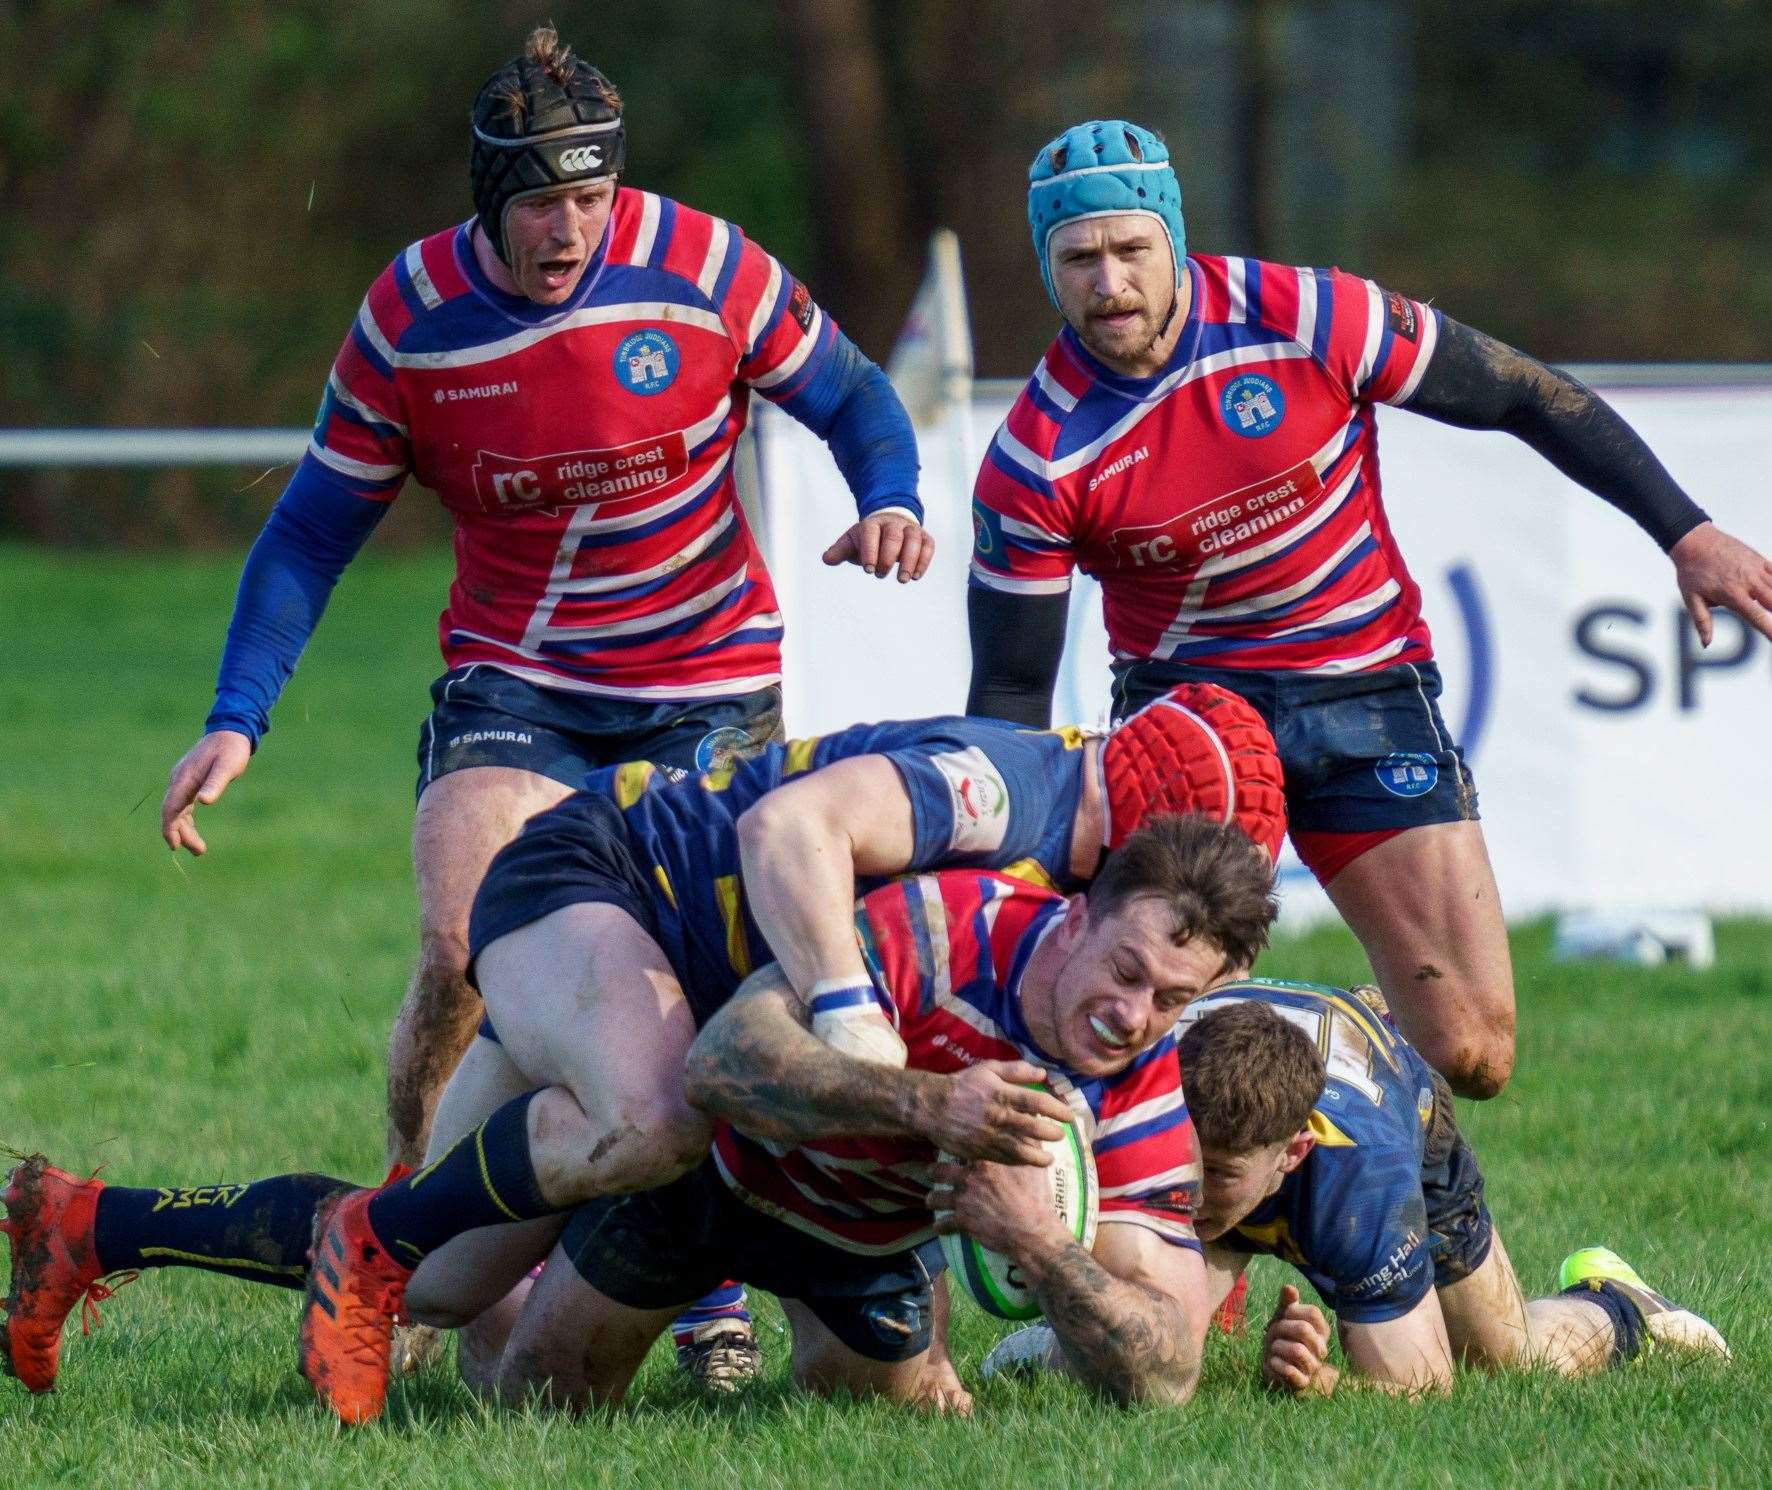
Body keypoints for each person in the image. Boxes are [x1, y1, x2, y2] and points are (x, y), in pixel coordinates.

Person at [155, 25, 933, 1377]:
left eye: (590, 197)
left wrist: (893, 499)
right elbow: (309, 529)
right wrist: (238, 711)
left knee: (698, 993)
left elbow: (859, 399)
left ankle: (700, 1287)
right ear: (486, 198)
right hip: (516, 686)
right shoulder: (411, 315)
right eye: (539, 203)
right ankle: (394, 1238)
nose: (568, 228)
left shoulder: (703, 266)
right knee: (462, 950)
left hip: (707, 685)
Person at [2, 688, 1285, 1419]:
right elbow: (789, 827)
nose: (1144, 993)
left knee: (446, 1280)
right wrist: (861, 1030)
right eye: (1167, 919)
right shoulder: (1013, 805)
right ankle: (373, 1246)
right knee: (662, 1111)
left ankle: (85, 1223)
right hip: (607, 877)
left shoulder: (1077, 911)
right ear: (1152, 842)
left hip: (641, 951)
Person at [966, 118, 1772, 1102]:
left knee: (1473, 1050)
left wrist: (1684, 531)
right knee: (1132, 1015)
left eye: (1130, 248)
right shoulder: (1034, 455)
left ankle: (1306, 1040)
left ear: (1170, 239)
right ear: (1046, 266)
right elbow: (1008, 683)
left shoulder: (1308, 315)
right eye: (1077, 258)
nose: (1109, 284)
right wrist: (994, 884)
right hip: (1193, 724)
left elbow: (1519, 392)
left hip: (1369, 689)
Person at [481, 814, 1278, 1412]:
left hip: (861, 1245)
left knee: (898, 1427)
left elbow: (1170, 1374)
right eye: (1127, 970)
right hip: (710, 1178)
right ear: (1076, 922)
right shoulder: (949, 929)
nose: (1133, 1017)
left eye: (1172, 1000)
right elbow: (720, 1061)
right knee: (538, 1403)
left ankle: (919, 1349)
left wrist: (1034, 1239)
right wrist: (929, 1104)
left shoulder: (1143, 1100)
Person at [986, 986, 1730, 1394]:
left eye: (1220, 1175)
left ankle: (1623, 1305)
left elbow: (1423, 1390)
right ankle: (1051, 1350)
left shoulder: (1358, 1177)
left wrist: (1322, 1383)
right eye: (1184, 1162)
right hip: (1256, 1085)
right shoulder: (1143, 1120)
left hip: (1401, 1108)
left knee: (1503, 1363)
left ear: (1292, 1153)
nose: (1188, 1189)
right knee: (1150, 1355)